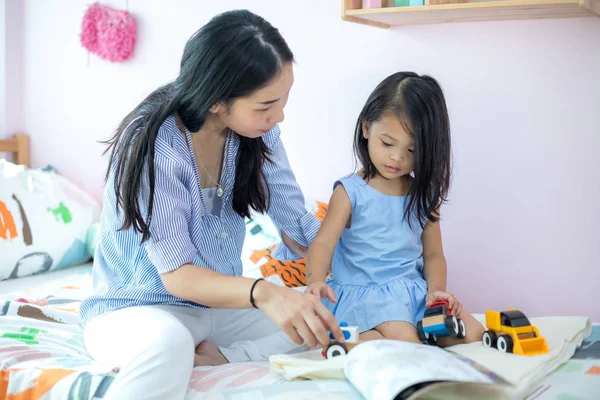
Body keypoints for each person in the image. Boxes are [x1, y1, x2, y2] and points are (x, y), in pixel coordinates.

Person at [80, 10, 344, 400]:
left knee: (319, 318)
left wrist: (362, 261)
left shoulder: (257, 133)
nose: (279, 115)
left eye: (284, 100)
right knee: (169, 343)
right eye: (267, 104)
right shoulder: (155, 146)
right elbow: (179, 276)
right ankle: (193, 354)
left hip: (212, 310)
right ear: (218, 100)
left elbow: (296, 222)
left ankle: (222, 358)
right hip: (135, 311)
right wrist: (266, 294)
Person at [305, 72, 484, 346]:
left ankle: (372, 339)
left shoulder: (423, 196)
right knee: (407, 341)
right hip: (365, 296)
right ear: (366, 129)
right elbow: (324, 243)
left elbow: (434, 254)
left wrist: (436, 292)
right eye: (388, 143)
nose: (397, 157)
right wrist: (316, 282)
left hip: (411, 293)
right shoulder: (350, 192)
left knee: (472, 334)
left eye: (412, 150)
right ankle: (359, 338)